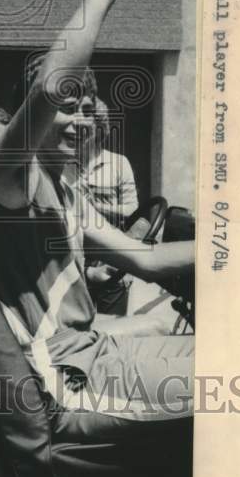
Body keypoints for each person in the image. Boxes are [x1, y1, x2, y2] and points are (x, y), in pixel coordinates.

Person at [0, 0, 194, 424]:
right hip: (63, 375)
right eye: (67, 107)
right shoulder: (11, 180)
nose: (80, 120)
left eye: (87, 108)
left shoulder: (65, 191)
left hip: (91, 349)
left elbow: (146, 260)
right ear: (32, 119)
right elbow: (49, 86)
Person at [81, 98, 139, 316]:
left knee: (113, 325)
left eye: (89, 125)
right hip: (73, 259)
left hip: (111, 256)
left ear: (100, 129)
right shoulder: (62, 164)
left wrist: (95, 205)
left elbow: (132, 210)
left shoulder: (118, 163)